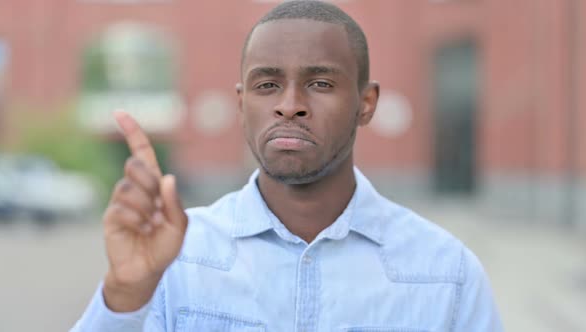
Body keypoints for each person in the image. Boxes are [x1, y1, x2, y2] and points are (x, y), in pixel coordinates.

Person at [72, 1, 503, 331]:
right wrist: (125, 297)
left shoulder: (446, 274)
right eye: (267, 85)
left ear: (366, 104)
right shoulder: (176, 259)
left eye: (320, 83)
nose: (289, 106)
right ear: (242, 104)